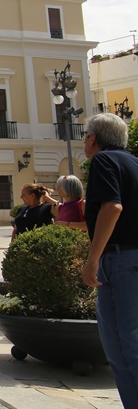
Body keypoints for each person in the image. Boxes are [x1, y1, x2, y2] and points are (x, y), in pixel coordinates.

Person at [80, 113, 138, 408]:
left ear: (94, 137)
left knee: (122, 347)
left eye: (85, 134)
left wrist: (93, 259)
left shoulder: (104, 161)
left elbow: (112, 207)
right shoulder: (134, 162)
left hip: (119, 260)